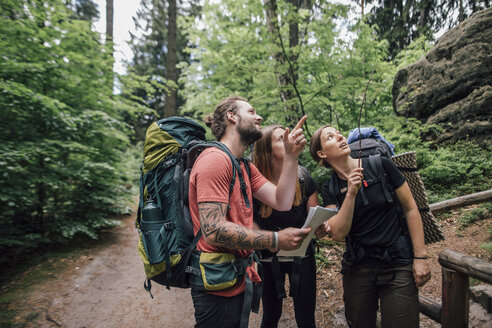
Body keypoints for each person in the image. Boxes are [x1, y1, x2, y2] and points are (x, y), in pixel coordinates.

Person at [188, 95, 312, 328]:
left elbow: (282, 201)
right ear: (231, 117)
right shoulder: (215, 160)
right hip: (216, 286)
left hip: (236, 278)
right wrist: (274, 239)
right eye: (252, 111)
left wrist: (292, 156)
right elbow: (213, 230)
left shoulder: (243, 165)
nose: (259, 117)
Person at [309, 125, 431, 328]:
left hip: (397, 262)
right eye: (330, 137)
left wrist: (420, 257)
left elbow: (411, 209)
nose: (339, 136)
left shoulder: (381, 165)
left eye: (338, 132)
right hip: (358, 267)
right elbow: (338, 233)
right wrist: (350, 194)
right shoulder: (330, 188)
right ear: (321, 153)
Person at [252, 125, 319, 328]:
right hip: (268, 257)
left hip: (302, 256)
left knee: (306, 318)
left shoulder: (303, 176)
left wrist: (320, 227)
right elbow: (248, 223)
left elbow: (314, 217)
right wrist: (271, 240)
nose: (288, 140)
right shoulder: (255, 182)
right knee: (271, 315)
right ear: (266, 149)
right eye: (281, 138)